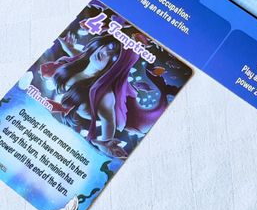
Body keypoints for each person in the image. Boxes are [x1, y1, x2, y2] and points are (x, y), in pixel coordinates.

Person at [41, 33, 170, 159]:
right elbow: (83, 57)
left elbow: (108, 121)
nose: (105, 53)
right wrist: (69, 48)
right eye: (111, 47)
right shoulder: (81, 63)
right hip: (43, 126)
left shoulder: (105, 96)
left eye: (113, 57)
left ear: (115, 68)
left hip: (65, 141)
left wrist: (105, 142)